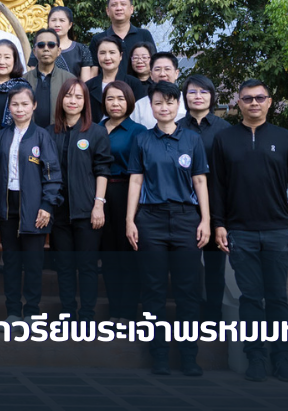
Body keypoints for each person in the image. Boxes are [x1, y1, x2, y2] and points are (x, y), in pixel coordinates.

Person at [211, 79, 288, 383]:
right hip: (240, 232)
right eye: (247, 99)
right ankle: (255, 358)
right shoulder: (224, 140)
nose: (254, 103)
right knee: (250, 298)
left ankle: (282, 360)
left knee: (278, 298)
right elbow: (217, 187)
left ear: (269, 102)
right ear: (238, 103)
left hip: (278, 231)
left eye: (260, 98)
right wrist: (219, 224)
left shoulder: (285, 138)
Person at [126, 81, 211, 377]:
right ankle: (159, 355)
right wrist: (130, 220)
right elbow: (135, 181)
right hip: (151, 219)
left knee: (188, 291)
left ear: (179, 106)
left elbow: (200, 181)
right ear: (151, 107)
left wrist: (206, 220)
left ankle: (189, 356)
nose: (165, 108)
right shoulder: (142, 140)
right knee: (154, 290)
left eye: (170, 102)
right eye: (159, 103)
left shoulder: (192, 140)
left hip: (187, 218)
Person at [0, 85, 62, 323]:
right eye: (15, 104)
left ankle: (31, 311)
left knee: (32, 263)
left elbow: (52, 174)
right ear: (9, 107)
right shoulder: (1, 135)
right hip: (8, 204)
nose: (20, 109)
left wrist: (47, 206)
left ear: (34, 106)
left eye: (25, 104)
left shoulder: (42, 136)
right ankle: (12, 312)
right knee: (10, 262)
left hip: (35, 206)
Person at [51, 78, 112, 322]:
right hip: (58, 211)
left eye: (78, 97)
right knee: (64, 266)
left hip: (87, 210)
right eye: (68, 96)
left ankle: (87, 315)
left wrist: (99, 204)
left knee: (87, 266)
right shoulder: (49, 132)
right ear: (61, 99)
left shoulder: (96, 132)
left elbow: (103, 170)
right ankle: (67, 313)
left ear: (85, 101)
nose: (73, 101)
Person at [178, 75, 231, 324]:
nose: (197, 96)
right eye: (192, 92)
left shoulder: (226, 131)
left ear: (211, 96)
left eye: (203, 92)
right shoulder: (177, 127)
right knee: (186, 267)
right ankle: (188, 317)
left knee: (214, 266)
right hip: (183, 207)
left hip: (217, 205)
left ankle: (213, 317)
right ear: (184, 97)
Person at [98, 81, 145, 323]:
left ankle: (127, 313)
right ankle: (115, 311)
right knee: (108, 255)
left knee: (127, 253)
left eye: (120, 99)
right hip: (98, 196)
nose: (115, 104)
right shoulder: (95, 128)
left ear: (129, 102)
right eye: (110, 99)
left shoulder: (138, 131)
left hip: (126, 192)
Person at [91, 0, 156, 81]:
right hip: (109, 92)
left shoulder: (144, 35)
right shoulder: (98, 39)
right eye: (114, 5)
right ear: (108, 11)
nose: (119, 8)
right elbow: (94, 72)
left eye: (123, 4)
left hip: (141, 91)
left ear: (131, 9)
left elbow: (154, 65)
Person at [22, 28, 77, 130]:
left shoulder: (69, 80)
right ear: (34, 51)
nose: (46, 49)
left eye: (51, 45)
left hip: (60, 135)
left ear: (58, 51)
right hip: (29, 137)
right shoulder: (23, 80)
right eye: (41, 45)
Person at [27, 6, 95, 82]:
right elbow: (33, 79)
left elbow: (85, 83)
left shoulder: (82, 49)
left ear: (70, 25)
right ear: (48, 23)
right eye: (53, 20)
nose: (57, 24)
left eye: (62, 20)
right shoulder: (40, 47)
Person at [85, 38, 146, 123]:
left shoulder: (133, 84)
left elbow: (141, 113)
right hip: (95, 134)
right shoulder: (88, 86)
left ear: (120, 56)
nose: (107, 57)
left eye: (112, 52)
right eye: (102, 53)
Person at [132, 51, 187, 128]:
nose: (162, 74)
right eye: (157, 69)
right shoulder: (140, 105)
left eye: (167, 69)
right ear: (151, 74)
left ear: (176, 73)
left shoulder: (187, 101)